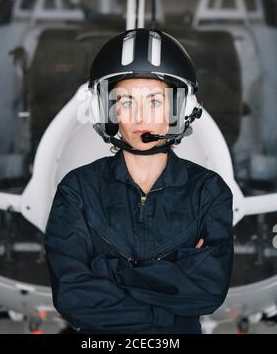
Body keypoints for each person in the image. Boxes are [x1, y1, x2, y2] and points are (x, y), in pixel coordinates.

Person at [44, 28, 234, 334]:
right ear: (108, 109)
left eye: (155, 101)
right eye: (126, 102)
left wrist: (105, 272)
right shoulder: (77, 189)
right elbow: (72, 297)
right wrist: (168, 302)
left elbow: (207, 291)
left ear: (179, 109)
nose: (139, 116)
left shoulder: (208, 191)